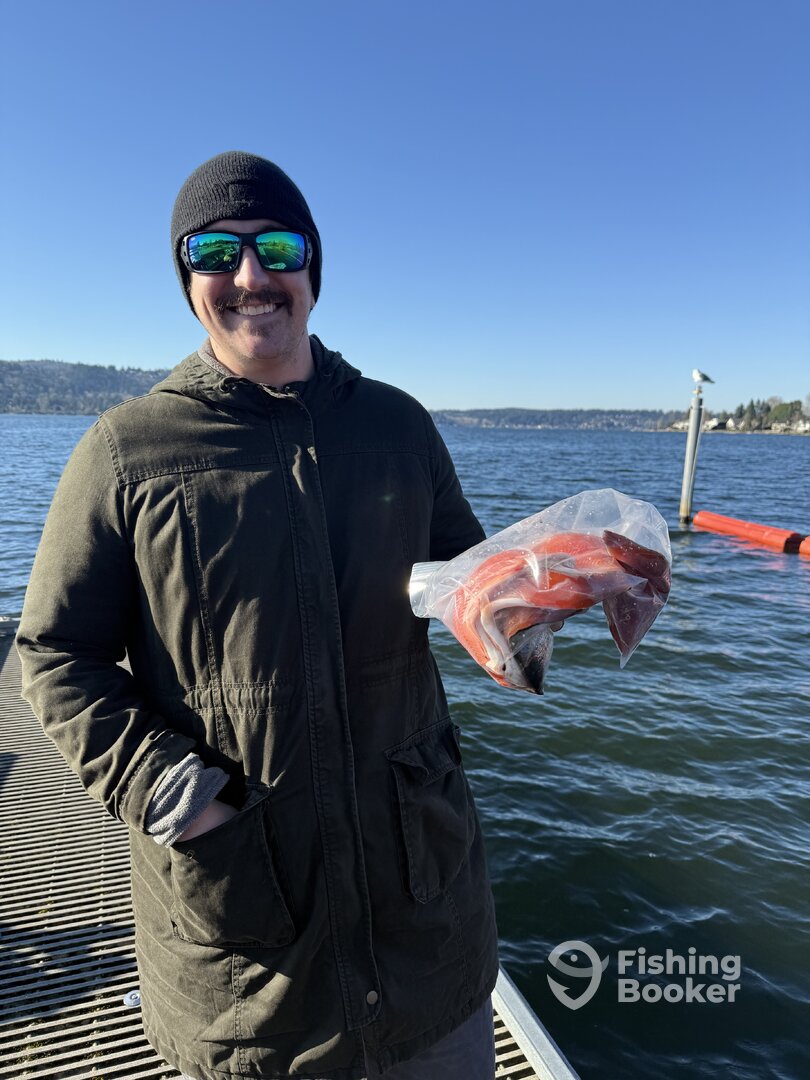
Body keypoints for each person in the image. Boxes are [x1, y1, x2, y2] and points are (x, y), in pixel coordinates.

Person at [17, 151, 499, 1080]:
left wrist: (550, 589)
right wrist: (171, 790)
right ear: (186, 278)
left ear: (313, 267)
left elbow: (469, 586)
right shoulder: (124, 451)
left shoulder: (399, 427)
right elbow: (54, 654)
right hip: (246, 970)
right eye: (215, 252)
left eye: (277, 247)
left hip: (425, 932)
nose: (250, 276)